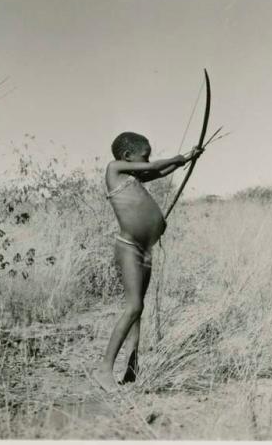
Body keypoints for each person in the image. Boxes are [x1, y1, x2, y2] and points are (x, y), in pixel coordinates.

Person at [92, 131, 203, 392]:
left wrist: (187, 158)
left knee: (138, 311)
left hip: (145, 250)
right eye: (145, 155)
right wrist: (178, 157)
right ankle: (104, 369)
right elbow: (155, 167)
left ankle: (132, 369)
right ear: (128, 156)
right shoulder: (115, 168)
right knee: (133, 306)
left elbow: (158, 172)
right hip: (129, 248)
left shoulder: (133, 176)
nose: (148, 159)